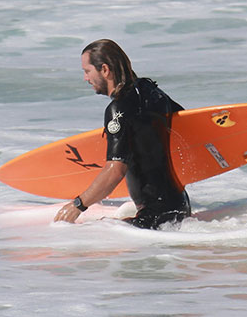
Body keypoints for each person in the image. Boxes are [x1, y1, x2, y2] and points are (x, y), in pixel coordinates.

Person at [54, 39, 191, 229]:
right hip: (180, 207)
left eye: (87, 71)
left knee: (77, 237)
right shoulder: (151, 91)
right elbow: (184, 124)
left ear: (104, 70)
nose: (86, 78)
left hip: (153, 218)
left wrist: (78, 204)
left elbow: (115, 170)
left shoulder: (117, 110)